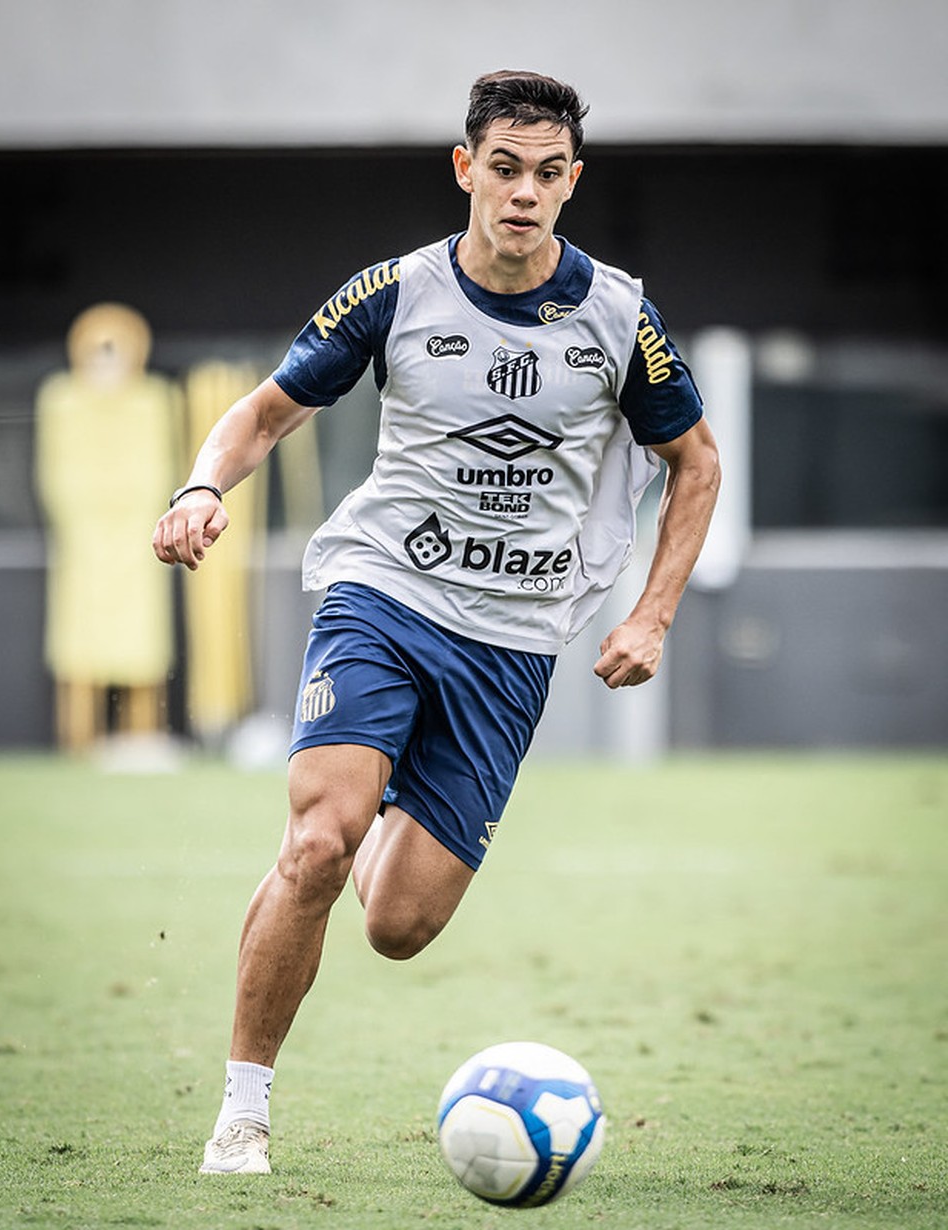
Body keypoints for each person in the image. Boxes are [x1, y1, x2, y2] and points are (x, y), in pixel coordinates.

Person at [152, 69, 720, 1176]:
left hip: (512, 642)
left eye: (548, 175)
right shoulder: (397, 291)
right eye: (504, 169)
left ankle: (379, 808)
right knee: (318, 842)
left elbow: (693, 464)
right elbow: (266, 411)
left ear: (572, 183)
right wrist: (200, 488)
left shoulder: (618, 314)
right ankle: (243, 1113)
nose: (524, 194)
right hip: (383, 595)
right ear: (467, 169)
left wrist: (651, 616)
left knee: (398, 926)